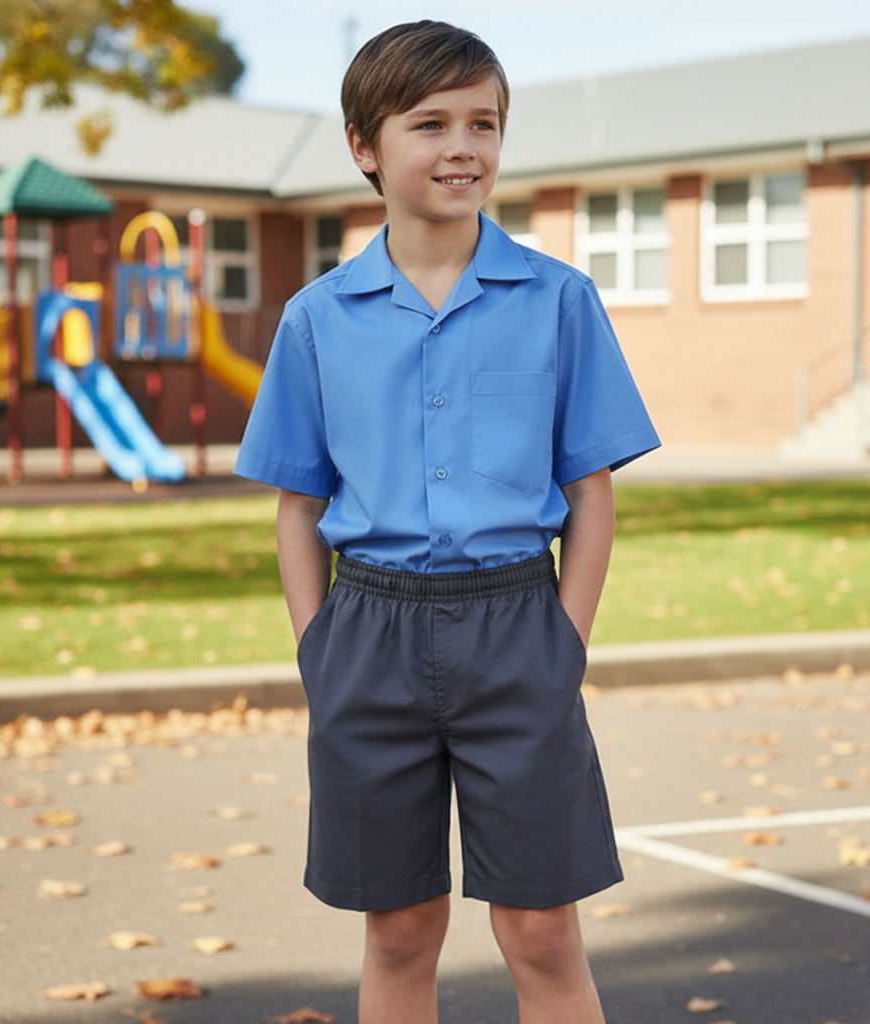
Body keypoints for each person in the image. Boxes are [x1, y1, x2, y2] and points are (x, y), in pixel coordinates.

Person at [235, 20, 660, 1024]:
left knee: (542, 929)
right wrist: (317, 647)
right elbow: (298, 505)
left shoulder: (559, 301)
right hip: (366, 636)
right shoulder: (316, 318)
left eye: (484, 123)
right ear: (364, 146)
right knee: (398, 930)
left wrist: (564, 641)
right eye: (430, 124)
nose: (463, 147)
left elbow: (591, 491)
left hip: (519, 629)